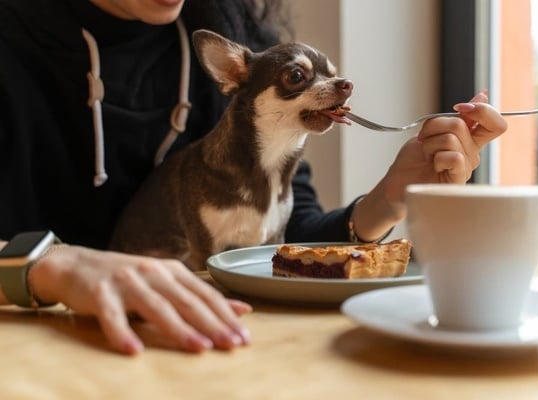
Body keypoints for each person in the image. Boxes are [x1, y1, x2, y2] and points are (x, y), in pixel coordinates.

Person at [0, 0, 507, 355]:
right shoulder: (14, 44)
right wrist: (48, 265)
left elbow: (278, 246)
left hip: (203, 345)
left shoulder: (229, 37)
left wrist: (392, 195)